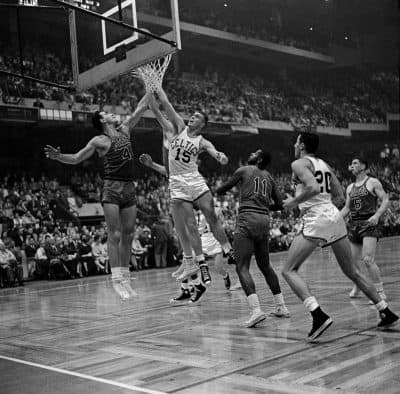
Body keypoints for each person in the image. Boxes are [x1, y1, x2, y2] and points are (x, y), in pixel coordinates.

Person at [281, 132, 398, 341]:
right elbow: (339, 196)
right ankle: (385, 310)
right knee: (352, 270)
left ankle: (318, 315)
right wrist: (322, 208)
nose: (294, 143)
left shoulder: (299, 163)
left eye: (297, 141)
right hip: (333, 216)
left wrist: (294, 203)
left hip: (317, 217)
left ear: (302, 145)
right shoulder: (323, 164)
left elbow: (313, 187)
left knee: (289, 270)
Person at [45, 93, 150, 300]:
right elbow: (76, 158)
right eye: (108, 114)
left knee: (129, 234)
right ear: (103, 120)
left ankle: (126, 277)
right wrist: (59, 156)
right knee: (115, 234)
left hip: (129, 187)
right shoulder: (99, 140)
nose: (113, 115)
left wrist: (151, 86)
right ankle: (116, 278)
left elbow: (140, 108)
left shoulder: (125, 130)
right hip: (111, 188)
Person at [148, 91, 235, 288]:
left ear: (202, 124)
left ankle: (229, 250)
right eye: (192, 115)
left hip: (194, 178)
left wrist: (220, 157)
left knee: (211, 213)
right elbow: (164, 102)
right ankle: (201, 264)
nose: (192, 117)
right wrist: (153, 87)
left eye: (196, 117)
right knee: (190, 225)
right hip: (177, 182)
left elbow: (215, 152)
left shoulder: (202, 141)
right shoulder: (179, 126)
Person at [216, 149, 290, 327]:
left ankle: (256, 310)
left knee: (242, 266)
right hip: (264, 220)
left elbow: (220, 190)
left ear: (260, 159)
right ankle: (281, 306)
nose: (251, 153)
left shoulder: (244, 170)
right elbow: (280, 204)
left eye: (255, 153)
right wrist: (263, 205)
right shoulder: (270, 177)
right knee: (265, 265)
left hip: (247, 217)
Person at [340, 157, 389, 301]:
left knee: (367, 259)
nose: (352, 165)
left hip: (369, 222)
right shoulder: (350, 187)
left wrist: (377, 215)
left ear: (363, 166)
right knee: (353, 262)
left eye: (355, 163)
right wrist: (335, 219)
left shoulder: (372, 182)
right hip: (354, 224)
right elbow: (347, 208)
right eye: (352, 163)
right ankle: (358, 285)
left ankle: (379, 292)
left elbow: (385, 199)